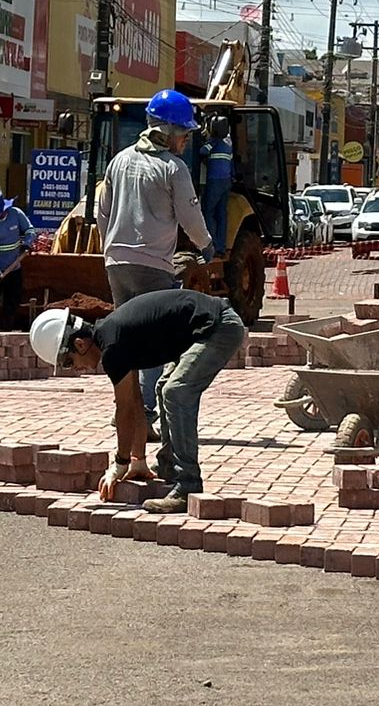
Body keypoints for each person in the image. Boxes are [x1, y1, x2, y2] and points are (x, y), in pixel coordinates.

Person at [28, 289, 245, 513]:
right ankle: (168, 465)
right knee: (163, 388)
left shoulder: (112, 347)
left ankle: (188, 484)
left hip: (219, 327)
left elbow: (124, 411)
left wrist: (120, 464)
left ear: (80, 344)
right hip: (210, 325)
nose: (75, 369)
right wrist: (137, 459)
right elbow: (134, 402)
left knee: (176, 392)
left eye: (68, 362)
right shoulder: (113, 336)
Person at [100, 89, 215, 425]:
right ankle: (144, 410)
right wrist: (205, 244)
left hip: (117, 264)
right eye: (185, 134)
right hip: (152, 265)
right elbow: (190, 216)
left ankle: (126, 409)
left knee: (126, 339)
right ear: (169, 131)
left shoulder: (118, 161)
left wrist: (111, 246)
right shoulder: (173, 169)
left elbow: (102, 212)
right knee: (155, 340)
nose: (187, 141)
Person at [0, 191, 38, 328]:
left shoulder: (16, 214)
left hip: (14, 266)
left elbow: (30, 230)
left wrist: (27, 243)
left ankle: (7, 329)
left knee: (12, 300)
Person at [199, 114, 234, 256]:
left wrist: (207, 139)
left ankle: (211, 245)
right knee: (221, 214)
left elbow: (201, 152)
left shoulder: (213, 144)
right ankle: (221, 246)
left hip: (215, 181)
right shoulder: (228, 146)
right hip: (226, 182)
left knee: (208, 211)